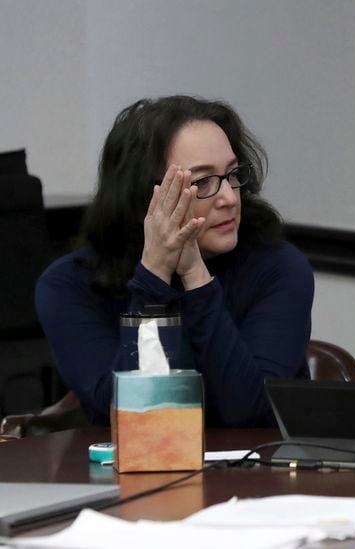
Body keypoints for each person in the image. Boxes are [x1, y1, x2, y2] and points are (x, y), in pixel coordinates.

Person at [36, 95, 314, 427]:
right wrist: (154, 276)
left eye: (233, 174)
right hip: (130, 474)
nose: (229, 198)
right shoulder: (69, 285)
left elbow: (249, 411)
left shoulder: (279, 267)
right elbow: (125, 415)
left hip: (258, 474)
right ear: (144, 197)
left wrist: (196, 275)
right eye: (202, 182)